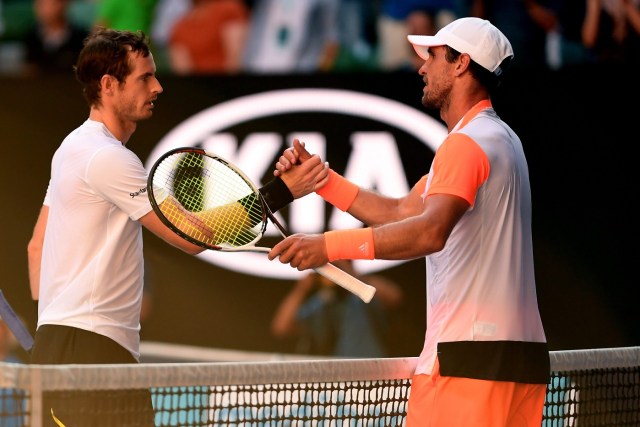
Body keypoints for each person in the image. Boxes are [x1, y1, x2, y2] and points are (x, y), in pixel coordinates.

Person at [26, 27, 328, 426]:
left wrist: (51, 331)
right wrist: (282, 191)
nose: (158, 86)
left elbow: (36, 248)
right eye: (145, 77)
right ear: (108, 85)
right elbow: (192, 235)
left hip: (62, 347)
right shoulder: (106, 158)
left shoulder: (72, 147)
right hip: (92, 352)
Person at [268, 17, 550, 426]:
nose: (421, 67)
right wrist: (323, 181)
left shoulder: (466, 145)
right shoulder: (502, 140)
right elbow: (402, 212)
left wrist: (326, 247)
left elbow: (428, 231)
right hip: (519, 362)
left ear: (460, 64)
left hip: (467, 361)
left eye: (432, 56)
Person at [271, 259, 403, 358]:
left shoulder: (364, 296)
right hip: (339, 378)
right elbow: (281, 328)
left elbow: (395, 297)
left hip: (373, 374)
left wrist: (351, 276)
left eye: (336, 267)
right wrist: (301, 289)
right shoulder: (323, 302)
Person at [167, 0, 250, 75]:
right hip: (199, 87)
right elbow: (183, 70)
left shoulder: (229, 9)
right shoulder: (179, 27)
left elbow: (234, 59)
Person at [23, 0, 89, 75]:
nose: (45, 9)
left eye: (51, 4)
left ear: (64, 4)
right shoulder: (32, 37)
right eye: (41, 4)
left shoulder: (79, 37)